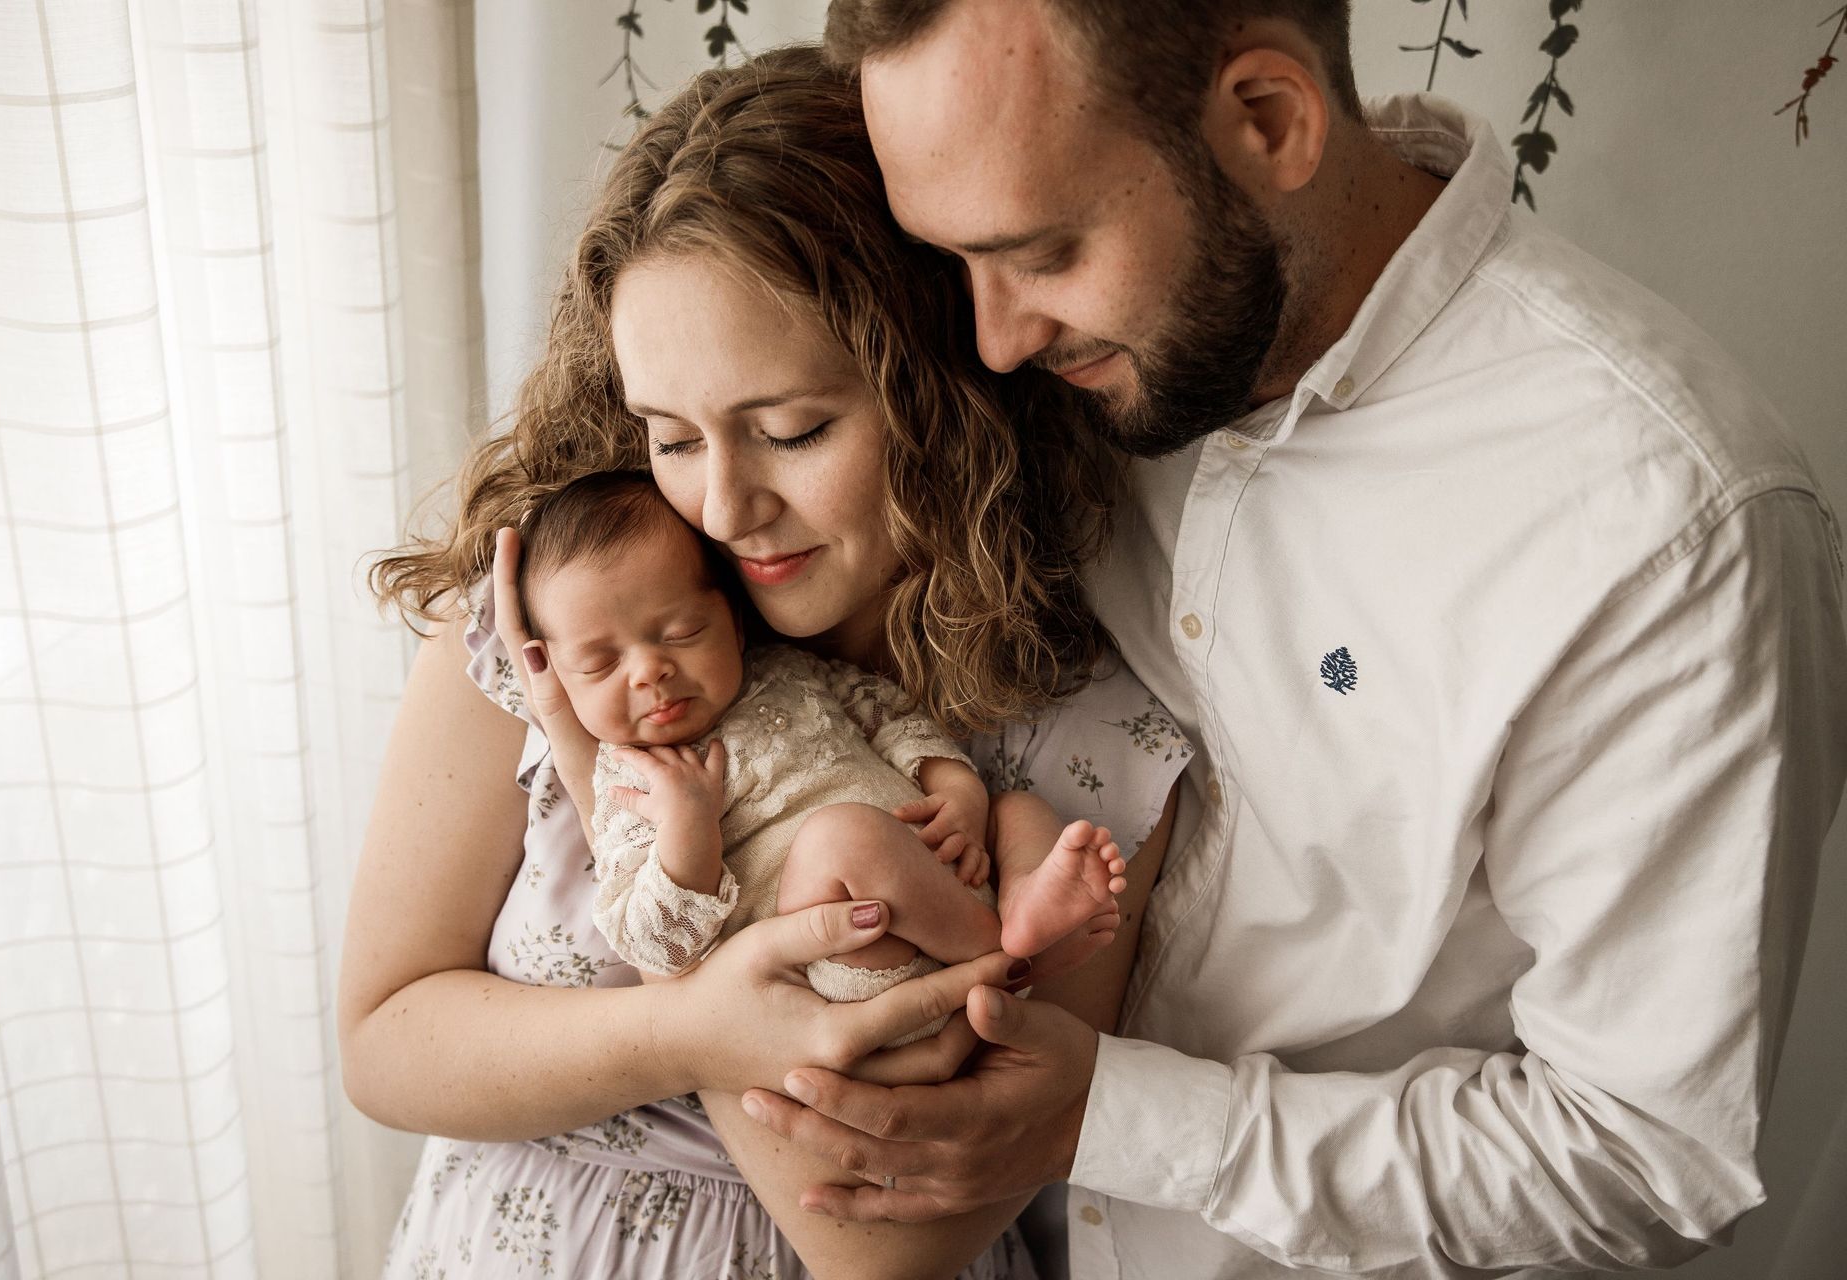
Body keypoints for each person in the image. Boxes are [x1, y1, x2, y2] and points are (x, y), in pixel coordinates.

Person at [739, 2, 1847, 1277]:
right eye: (956, 263)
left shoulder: (1668, 521)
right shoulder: (1049, 374)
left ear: (1269, 120)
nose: (993, 336)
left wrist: (1105, 1117)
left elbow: (1644, 1152)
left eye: (1042, 250)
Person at [340, 45, 1189, 1280]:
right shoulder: (550, 623)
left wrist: (602, 773)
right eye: (670, 436)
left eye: (791, 431)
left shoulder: (1091, 741)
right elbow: (383, 1042)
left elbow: (870, 1244)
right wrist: (688, 1020)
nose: (724, 506)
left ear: (948, 394)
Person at [511, 469, 1130, 1007]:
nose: (649, 671)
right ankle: (1007, 958)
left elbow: (893, 718)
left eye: (681, 631)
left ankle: (1023, 909)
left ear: (732, 618)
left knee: (1018, 809)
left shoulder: (789, 672)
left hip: (944, 873)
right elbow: (658, 945)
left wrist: (957, 791)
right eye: (598, 664)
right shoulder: (631, 785)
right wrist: (686, 829)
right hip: (846, 962)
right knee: (844, 837)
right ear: (556, 674)